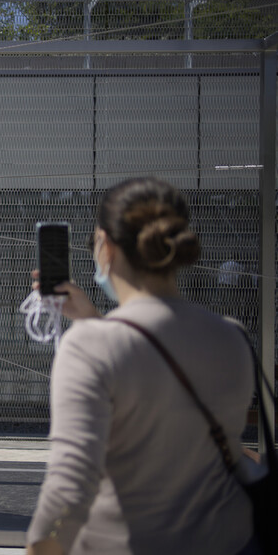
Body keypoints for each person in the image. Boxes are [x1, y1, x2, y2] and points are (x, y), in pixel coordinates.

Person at [26, 178, 258, 555]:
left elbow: (69, 489)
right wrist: (93, 320)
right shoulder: (232, 339)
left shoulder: (89, 347)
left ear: (107, 246)